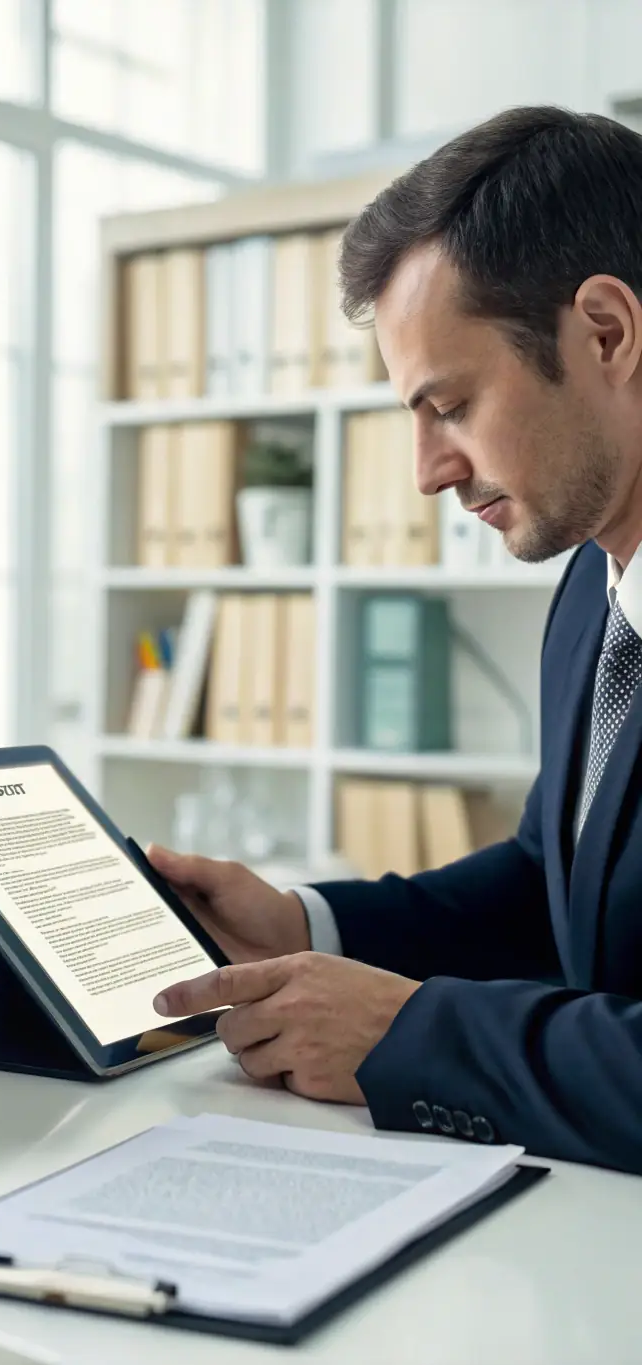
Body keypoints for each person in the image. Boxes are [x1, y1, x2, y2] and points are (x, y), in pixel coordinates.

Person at [148, 105, 642, 1177]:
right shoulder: (590, 596)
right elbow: (549, 887)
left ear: (605, 334)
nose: (428, 471)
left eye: (451, 405)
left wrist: (411, 1038)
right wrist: (302, 924)